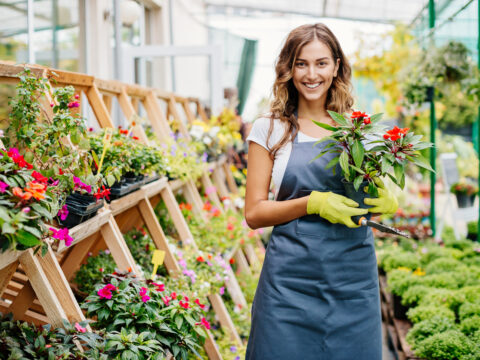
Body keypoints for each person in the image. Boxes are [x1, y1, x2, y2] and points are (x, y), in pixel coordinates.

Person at [244, 23, 398, 360]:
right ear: (288, 68)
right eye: (301, 63)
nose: (311, 74)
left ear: (337, 67)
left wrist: (388, 200)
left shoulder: (361, 131)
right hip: (288, 288)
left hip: (352, 285)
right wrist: (312, 203)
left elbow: (370, 199)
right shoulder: (270, 129)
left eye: (321, 63)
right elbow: (254, 214)